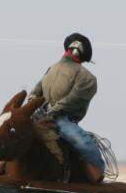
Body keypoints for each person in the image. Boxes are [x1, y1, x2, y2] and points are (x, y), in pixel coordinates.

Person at [28, 33, 105, 183]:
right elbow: (72, 100)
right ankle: (98, 178)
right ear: (82, 54)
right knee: (87, 145)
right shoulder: (87, 77)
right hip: (60, 120)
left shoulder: (51, 69)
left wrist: (34, 106)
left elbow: (34, 93)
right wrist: (51, 110)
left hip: (38, 116)